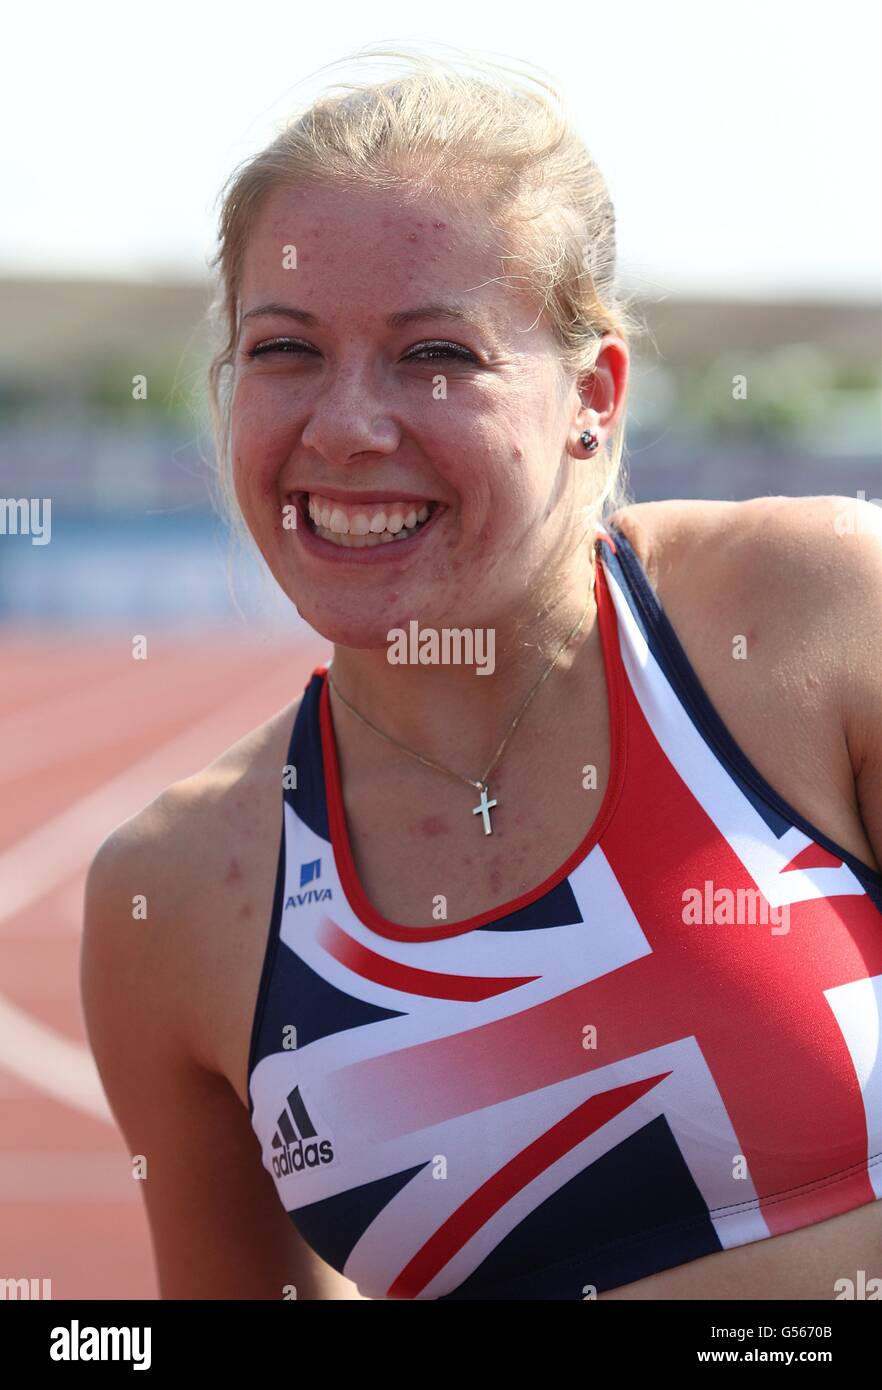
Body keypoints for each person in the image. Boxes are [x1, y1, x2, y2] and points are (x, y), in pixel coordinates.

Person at [81, 46, 882, 1301]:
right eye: (287, 350)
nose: (345, 426)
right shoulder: (176, 895)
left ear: (593, 399)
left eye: (435, 354)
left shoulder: (820, 610)